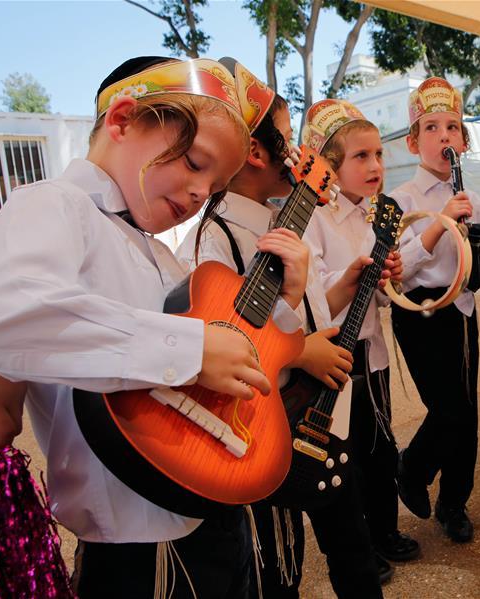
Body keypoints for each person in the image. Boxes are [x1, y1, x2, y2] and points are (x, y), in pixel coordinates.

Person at [0, 56, 311, 597]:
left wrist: (284, 305)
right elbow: (9, 312)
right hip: (138, 538)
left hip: (210, 510)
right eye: (197, 162)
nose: (203, 192)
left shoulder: (161, 254)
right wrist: (194, 346)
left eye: (218, 183)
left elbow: (226, 349)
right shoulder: (54, 206)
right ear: (123, 119)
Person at [174, 59, 391, 597]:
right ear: (256, 150)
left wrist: (349, 284)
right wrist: (300, 353)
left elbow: (318, 308)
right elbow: (229, 340)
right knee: (279, 563)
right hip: (267, 426)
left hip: (323, 417)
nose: (299, 153)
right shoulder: (215, 240)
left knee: (355, 554)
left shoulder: (283, 220)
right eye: (289, 139)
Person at [302, 99, 421, 578]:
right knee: (345, 456)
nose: (375, 166)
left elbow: (386, 296)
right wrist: (353, 279)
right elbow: (313, 303)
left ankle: (386, 529)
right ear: (329, 164)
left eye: (378, 155)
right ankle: (361, 543)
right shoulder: (313, 218)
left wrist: (391, 277)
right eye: (361, 156)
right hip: (334, 357)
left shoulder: (378, 214)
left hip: (373, 354)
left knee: (381, 447)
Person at [390, 77, 480, 543]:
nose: (444, 136)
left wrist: (478, 240)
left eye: (453, 127)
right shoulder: (400, 201)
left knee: (467, 413)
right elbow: (400, 271)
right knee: (447, 409)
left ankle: (455, 502)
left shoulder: (473, 197)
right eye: (431, 127)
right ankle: (411, 468)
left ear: (464, 142)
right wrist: (442, 224)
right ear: (413, 142)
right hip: (420, 310)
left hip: (462, 308)